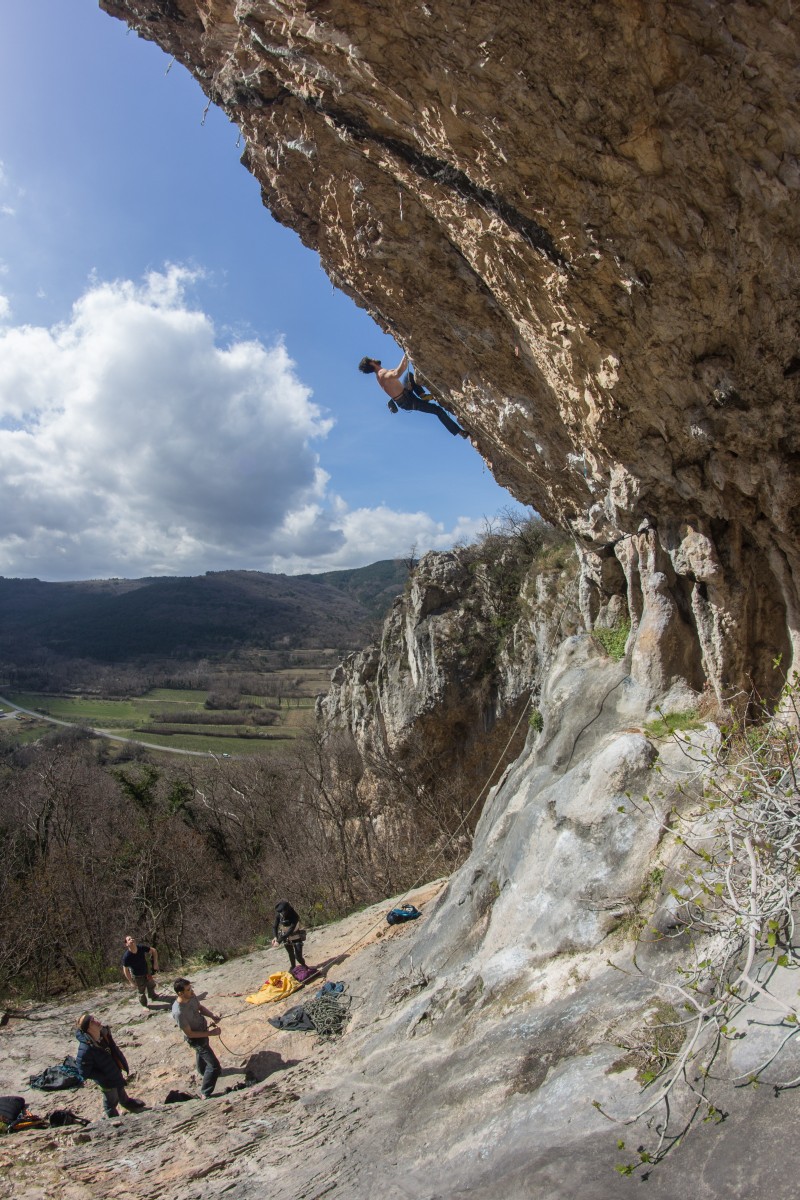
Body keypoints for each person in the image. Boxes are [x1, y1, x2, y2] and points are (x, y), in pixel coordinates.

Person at [358, 352, 469, 438]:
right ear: (371, 363)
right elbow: (397, 373)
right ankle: (459, 432)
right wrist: (406, 354)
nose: (373, 358)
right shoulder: (381, 374)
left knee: (409, 376)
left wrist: (406, 356)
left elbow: (399, 371)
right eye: (371, 359)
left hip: (405, 394)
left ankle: (422, 395)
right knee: (437, 410)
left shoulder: (380, 374)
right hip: (407, 401)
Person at [74, 1013, 145, 1119]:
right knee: (111, 1099)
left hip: (115, 1071)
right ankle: (112, 1115)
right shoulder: (85, 1049)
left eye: (94, 1018)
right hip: (106, 1081)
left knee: (120, 1089)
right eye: (92, 1021)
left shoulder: (103, 1034)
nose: (97, 1021)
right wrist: (102, 1077)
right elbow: (83, 1072)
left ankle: (126, 1103)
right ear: (88, 1028)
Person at [171, 978, 222, 1099]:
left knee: (202, 1054)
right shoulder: (178, 1012)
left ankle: (203, 1072)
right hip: (196, 1039)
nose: (192, 991)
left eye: (191, 988)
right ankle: (205, 1092)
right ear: (180, 993)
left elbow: (200, 1008)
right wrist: (211, 1033)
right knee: (214, 1065)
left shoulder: (191, 996)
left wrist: (212, 1016)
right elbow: (190, 1034)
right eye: (188, 989)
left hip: (203, 1031)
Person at [121, 935, 160, 1008]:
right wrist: (131, 982)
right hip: (137, 976)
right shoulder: (126, 957)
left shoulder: (141, 948)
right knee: (141, 992)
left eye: (132, 938)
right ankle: (145, 1005)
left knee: (151, 984)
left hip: (146, 972)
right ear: (126, 944)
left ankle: (153, 996)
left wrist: (155, 963)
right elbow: (125, 970)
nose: (132, 940)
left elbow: (153, 950)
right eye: (129, 939)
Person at [272, 900, 308, 971]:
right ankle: (293, 967)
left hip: (296, 936)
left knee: (298, 956)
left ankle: (304, 966)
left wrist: (279, 941)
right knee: (290, 954)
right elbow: (275, 926)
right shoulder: (279, 915)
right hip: (285, 938)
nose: (281, 913)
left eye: (283, 912)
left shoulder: (294, 916)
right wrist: (275, 937)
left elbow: (291, 930)